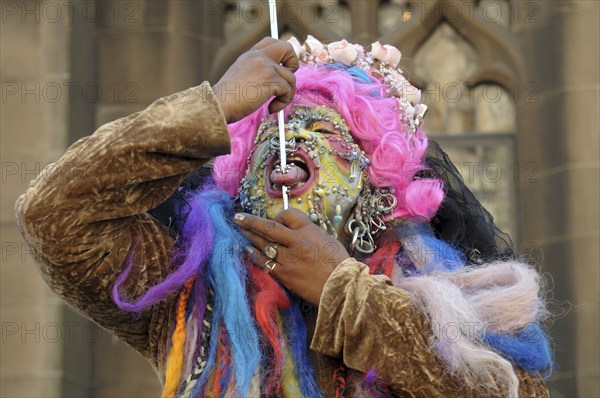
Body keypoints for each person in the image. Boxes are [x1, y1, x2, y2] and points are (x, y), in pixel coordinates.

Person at [15, 37, 552, 397]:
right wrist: (214, 108)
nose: (287, 141)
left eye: (320, 131)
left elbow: (513, 389)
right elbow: (52, 212)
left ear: (378, 181)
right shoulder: (192, 290)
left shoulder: (451, 305)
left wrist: (344, 294)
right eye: (267, 136)